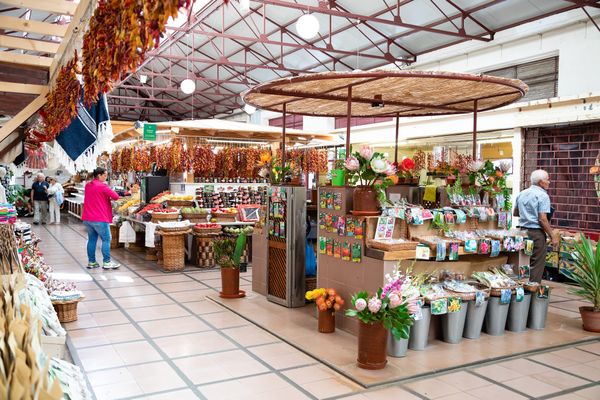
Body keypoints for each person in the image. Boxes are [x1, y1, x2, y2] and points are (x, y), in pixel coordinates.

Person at [514, 169, 560, 283]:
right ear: (541, 182)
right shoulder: (543, 196)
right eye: (547, 180)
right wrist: (552, 235)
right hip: (536, 233)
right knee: (536, 264)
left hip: (521, 232)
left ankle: (520, 289)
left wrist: (527, 214)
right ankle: (532, 292)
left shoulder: (522, 193)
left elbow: (515, 213)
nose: (549, 182)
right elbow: (542, 219)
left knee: (522, 262)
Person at [82, 167, 120, 269]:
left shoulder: (88, 185)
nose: (106, 177)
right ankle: (107, 262)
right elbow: (116, 196)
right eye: (105, 175)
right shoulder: (102, 186)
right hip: (99, 218)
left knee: (92, 240)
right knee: (106, 239)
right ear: (99, 175)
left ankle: (92, 262)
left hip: (87, 218)